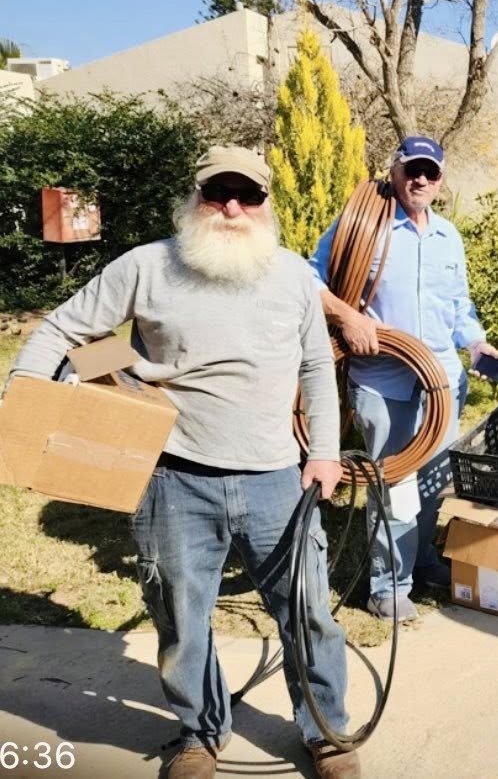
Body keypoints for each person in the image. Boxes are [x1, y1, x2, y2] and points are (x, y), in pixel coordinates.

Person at [7, 146, 358, 779]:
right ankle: (200, 736)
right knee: (181, 617)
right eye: (216, 192)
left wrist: (326, 453)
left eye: (247, 195)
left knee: (307, 612)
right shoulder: (146, 267)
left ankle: (326, 732)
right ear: (193, 198)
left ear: (266, 204)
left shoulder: (294, 278)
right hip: (172, 476)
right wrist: (29, 399)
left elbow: (315, 367)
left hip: (278, 477)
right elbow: (65, 332)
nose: (231, 207)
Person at [309, 135, 498, 623]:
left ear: (440, 181)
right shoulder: (363, 230)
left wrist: (476, 343)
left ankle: (422, 562)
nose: (419, 179)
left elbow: (459, 305)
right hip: (382, 379)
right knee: (393, 483)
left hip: (441, 380)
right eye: (411, 169)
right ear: (394, 172)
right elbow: (308, 281)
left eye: (430, 172)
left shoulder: (448, 237)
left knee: (435, 479)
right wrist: (348, 318)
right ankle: (387, 586)